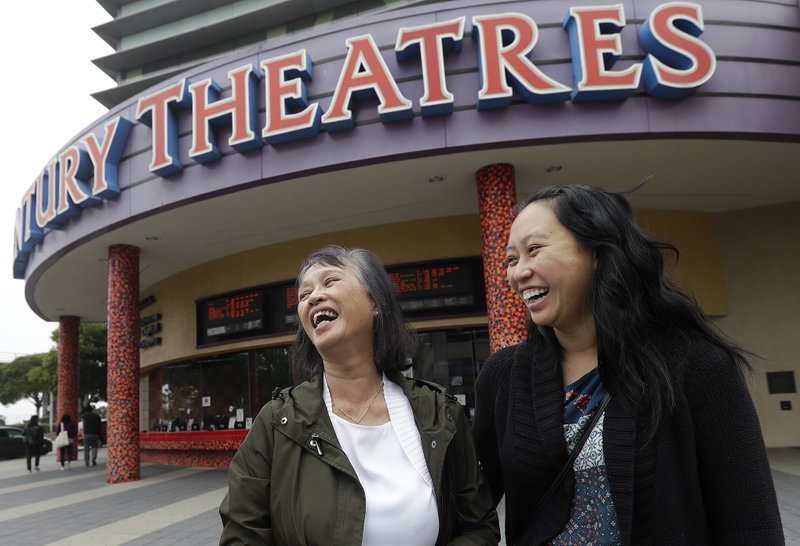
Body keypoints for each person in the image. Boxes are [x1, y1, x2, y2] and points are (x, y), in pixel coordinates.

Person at [473, 184, 784, 545]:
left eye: (534, 250)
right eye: (511, 259)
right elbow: (469, 505)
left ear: (597, 253)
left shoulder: (697, 365)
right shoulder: (503, 376)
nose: (517, 272)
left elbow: (751, 524)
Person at [220, 245, 499, 545]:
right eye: (304, 295)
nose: (313, 297)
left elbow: (480, 527)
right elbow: (242, 536)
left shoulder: (439, 412)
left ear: (375, 302)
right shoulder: (276, 423)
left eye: (330, 281)